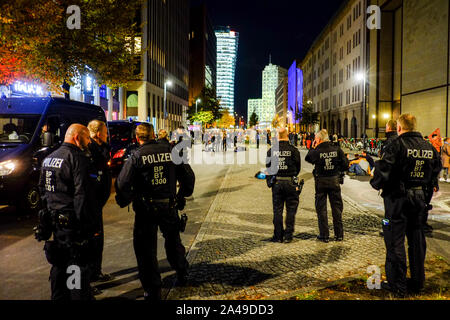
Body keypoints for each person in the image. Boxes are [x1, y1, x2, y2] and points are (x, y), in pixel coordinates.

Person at [115, 123, 195, 301]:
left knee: (146, 250)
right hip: (168, 206)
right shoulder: (172, 151)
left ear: (137, 138)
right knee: (173, 242)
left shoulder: (136, 156)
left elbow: (122, 183)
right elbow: (188, 177)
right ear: (153, 135)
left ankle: (152, 289)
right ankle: (182, 272)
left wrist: (125, 199)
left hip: (145, 210)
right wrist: (182, 195)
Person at [370, 114, 441, 296]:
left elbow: (383, 169)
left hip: (398, 199)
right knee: (417, 241)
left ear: (399, 128)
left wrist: (376, 182)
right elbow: (435, 172)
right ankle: (418, 282)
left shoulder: (397, 144)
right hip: (419, 200)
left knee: (395, 241)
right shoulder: (428, 147)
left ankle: (398, 286)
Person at [36, 124, 96, 300]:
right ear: (77, 137)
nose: (88, 142)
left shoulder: (50, 158)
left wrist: (51, 210)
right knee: (76, 267)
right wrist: (86, 225)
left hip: (54, 222)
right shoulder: (77, 158)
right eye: (86, 138)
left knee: (59, 266)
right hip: (73, 223)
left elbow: (42, 189)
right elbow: (82, 195)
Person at [305, 129, 349, 243]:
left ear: (318, 139)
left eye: (315, 139)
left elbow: (308, 158)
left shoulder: (317, 150)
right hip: (334, 181)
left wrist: (313, 147)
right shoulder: (336, 149)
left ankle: (324, 235)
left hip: (321, 182)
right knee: (337, 209)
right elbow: (345, 165)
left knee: (321, 209)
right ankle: (339, 235)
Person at [87, 120, 114, 285]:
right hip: (90, 203)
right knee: (91, 241)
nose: (106, 136)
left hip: (97, 203)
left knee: (98, 240)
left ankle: (95, 272)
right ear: (97, 133)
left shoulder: (100, 147)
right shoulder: (89, 150)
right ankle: (87, 280)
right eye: (104, 133)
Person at [266, 127, 301, 243]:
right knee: (291, 210)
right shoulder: (294, 150)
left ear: (277, 136)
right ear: (287, 136)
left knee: (277, 210)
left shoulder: (271, 150)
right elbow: (298, 168)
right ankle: (288, 235)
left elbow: (268, 168)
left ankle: (278, 235)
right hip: (290, 182)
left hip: (277, 182)